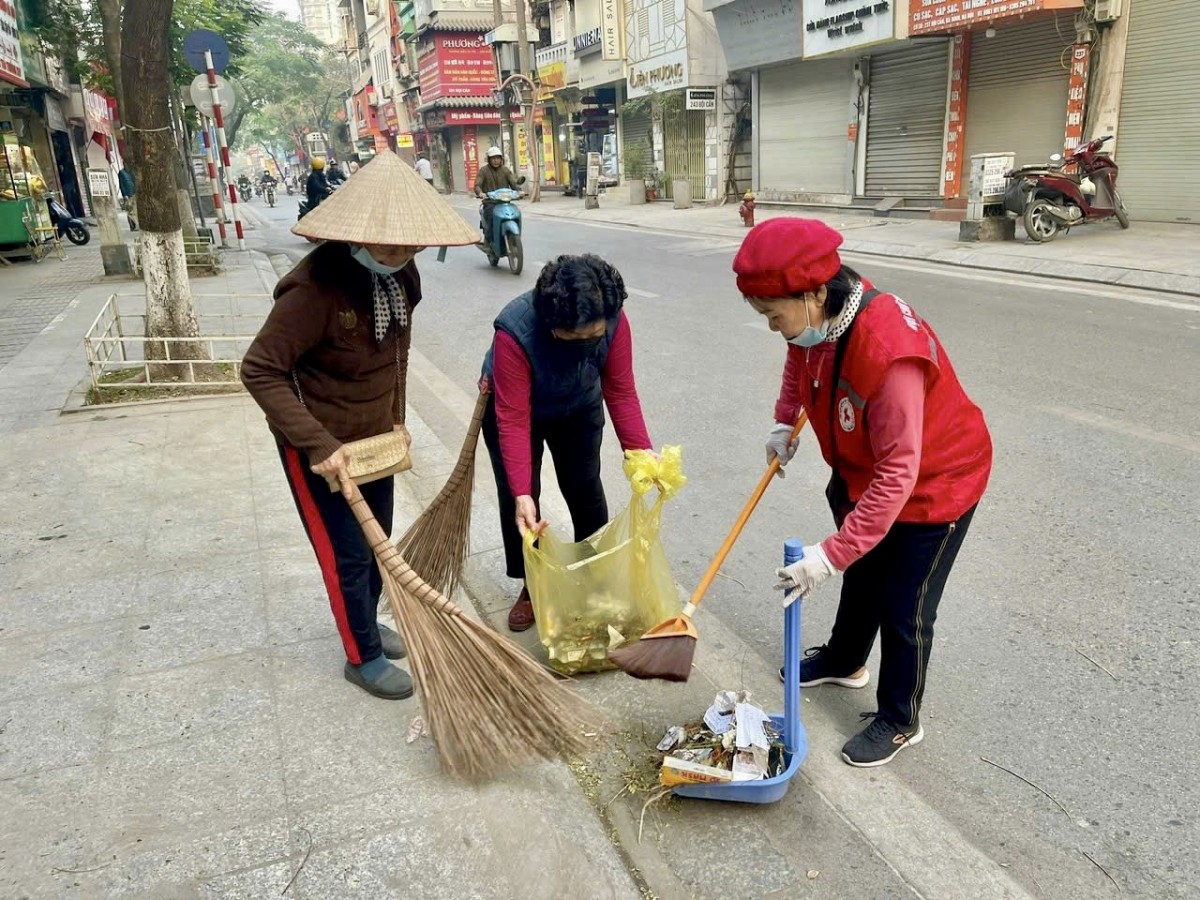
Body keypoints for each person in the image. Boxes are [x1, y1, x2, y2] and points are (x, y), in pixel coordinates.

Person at [734, 218, 992, 768]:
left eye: (774, 314)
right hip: (860, 471)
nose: (773, 327)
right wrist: (785, 421)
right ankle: (846, 660)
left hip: (936, 486)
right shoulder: (818, 320)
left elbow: (901, 471)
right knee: (865, 573)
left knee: (906, 603)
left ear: (812, 294)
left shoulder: (887, 349)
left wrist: (828, 554)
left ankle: (901, 718)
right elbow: (795, 358)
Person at [242, 151, 479, 699]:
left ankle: (368, 622)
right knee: (347, 552)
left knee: (379, 544)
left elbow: (398, 350)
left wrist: (397, 416)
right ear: (356, 235)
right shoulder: (312, 291)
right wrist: (318, 444)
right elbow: (259, 370)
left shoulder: (402, 276)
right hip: (319, 445)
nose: (400, 254)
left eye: (409, 246)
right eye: (389, 245)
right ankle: (361, 654)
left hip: (375, 438)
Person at [480, 255, 654, 632]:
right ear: (551, 325)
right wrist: (523, 492)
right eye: (573, 339)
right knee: (522, 503)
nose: (586, 346)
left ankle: (595, 580)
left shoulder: (613, 318)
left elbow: (621, 390)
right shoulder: (515, 331)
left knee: (585, 488)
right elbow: (511, 417)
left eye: (593, 337)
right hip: (516, 410)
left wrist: (641, 453)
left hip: (578, 406)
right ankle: (532, 586)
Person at [473, 147, 521, 244]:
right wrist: (480, 193)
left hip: (505, 202)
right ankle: (490, 240)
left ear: (501, 159)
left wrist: (519, 191)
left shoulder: (505, 170)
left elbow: (513, 183)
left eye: (498, 158)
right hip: (490, 203)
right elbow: (477, 184)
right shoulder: (483, 171)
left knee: (516, 213)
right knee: (491, 217)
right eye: (493, 158)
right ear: (489, 159)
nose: (496, 161)